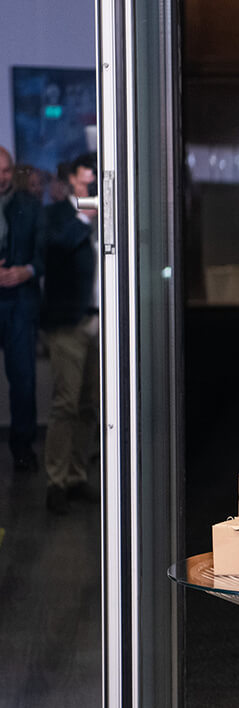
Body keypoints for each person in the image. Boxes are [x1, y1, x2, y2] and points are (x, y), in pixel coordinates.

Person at [41, 154, 101, 513]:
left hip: (100, 322)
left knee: (89, 404)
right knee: (66, 402)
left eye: (93, 182)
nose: (89, 188)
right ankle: (56, 482)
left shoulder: (109, 217)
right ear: (70, 181)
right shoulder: (57, 215)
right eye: (83, 182)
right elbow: (57, 246)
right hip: (68, 323)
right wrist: (83, 216)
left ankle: (77, 477)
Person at [0, 145, 44, 472]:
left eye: (5, 170)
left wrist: (26, 271)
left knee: (23, 380)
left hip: (20, 301)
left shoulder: (30, 205)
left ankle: (23, 447)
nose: (1, 177)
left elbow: (44, 254)